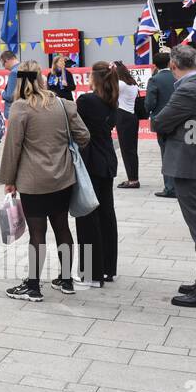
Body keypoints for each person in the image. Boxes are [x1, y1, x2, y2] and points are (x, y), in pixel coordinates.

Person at [0, 61, 91, 301]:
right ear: (41, 77)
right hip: (62, 178)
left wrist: (9, 179)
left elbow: (13, 146)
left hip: (33, 180)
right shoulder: (63, 104)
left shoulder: (21, 107)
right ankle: (67, 279)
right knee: (62, 227)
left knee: (37, 233)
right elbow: (84, 136)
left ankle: (33, 286)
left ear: (20, 80)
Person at [150, 45, 196, 308]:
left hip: (190, 167)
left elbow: (159, 122)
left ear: (172, 66)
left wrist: (163, 124)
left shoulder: (188, 89)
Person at [76, 62, 119, 286]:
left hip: (91, 160)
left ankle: (91, 272)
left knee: (87, 216)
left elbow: (75, 127)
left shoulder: (87, 101)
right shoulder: (111, 99)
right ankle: (108, 267)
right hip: (106, 159)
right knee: (106, 214)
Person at [146, 50, 176, 198]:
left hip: (162, 120)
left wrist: (149, 110)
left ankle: (170, 187)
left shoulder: (155, 79)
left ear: (155, 65)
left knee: (165, 153)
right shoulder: (176, 76)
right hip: (178, 118)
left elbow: (150, 103)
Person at [114, 61, 141, 189]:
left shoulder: (120, 84)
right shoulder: (132, 83)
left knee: (126, 150)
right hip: (132, 116)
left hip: (123, 116)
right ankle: (133, 177)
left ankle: (133, 180)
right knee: (131, 149)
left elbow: (110, 95)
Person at [0, 50, 19, 114]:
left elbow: (10, 96)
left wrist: (2, 93)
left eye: (3, 64)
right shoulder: (26, 68)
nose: (4, 68)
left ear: (7, 60)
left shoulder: (14, 73)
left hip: (14, 111)